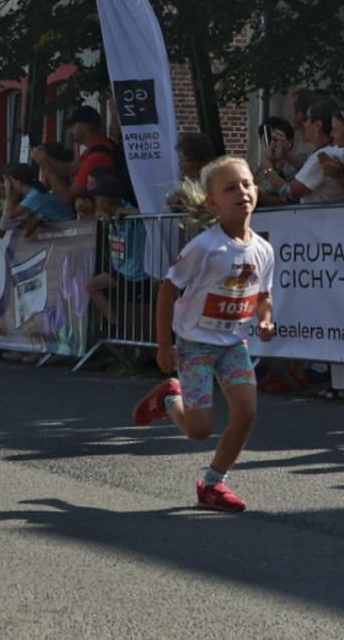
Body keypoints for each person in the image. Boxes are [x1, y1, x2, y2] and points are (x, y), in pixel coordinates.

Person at [132, 156, 275, 512]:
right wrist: (164, 344)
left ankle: (213, 484)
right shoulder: (204, 247)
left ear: (256, 190)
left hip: (232, 344)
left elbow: (263, 295)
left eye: (246, 184)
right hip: (195, 345)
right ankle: (169, 398)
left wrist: (266, 319)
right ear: (213, 203)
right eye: (230, 188)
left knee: (246, 411)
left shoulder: (263, 249)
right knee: (198, 430)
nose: (241, 192)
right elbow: (168, 290)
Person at [85, 173, 151, 332]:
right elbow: (95, 214)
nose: (96, 202)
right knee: (92, 287)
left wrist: (126, 212)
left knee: (139, 316)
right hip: (119, 268)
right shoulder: (108, 212)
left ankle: (148, 347)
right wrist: (103, 214)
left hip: (136, 273)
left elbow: (150, 212)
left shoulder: (129, 210)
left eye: (99, 199)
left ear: (108, 200)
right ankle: (115, 326)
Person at [30, 105, 116, 216]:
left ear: (85, 127)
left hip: (98, 220)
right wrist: (43, 157)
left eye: (73, 126)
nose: (71, 130)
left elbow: (68, 197)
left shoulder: (96, 157)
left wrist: (46, 167)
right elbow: (68, 168)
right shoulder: (97, 147)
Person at [264, 98, 344, 205]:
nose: (303, 124)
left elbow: (289, 195)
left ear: (317, 125)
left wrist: (267, 165)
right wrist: (287, 155)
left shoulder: (322, 157)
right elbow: (309, 166)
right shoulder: (333, 152)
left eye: (306, 119)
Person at [254, 117, 297, 207]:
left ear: (289, 142)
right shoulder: (259, 172)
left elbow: (290, 199)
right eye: (267, 141)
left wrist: (261, 198)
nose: (272, 145)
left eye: (276, 140)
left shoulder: (295, 171)